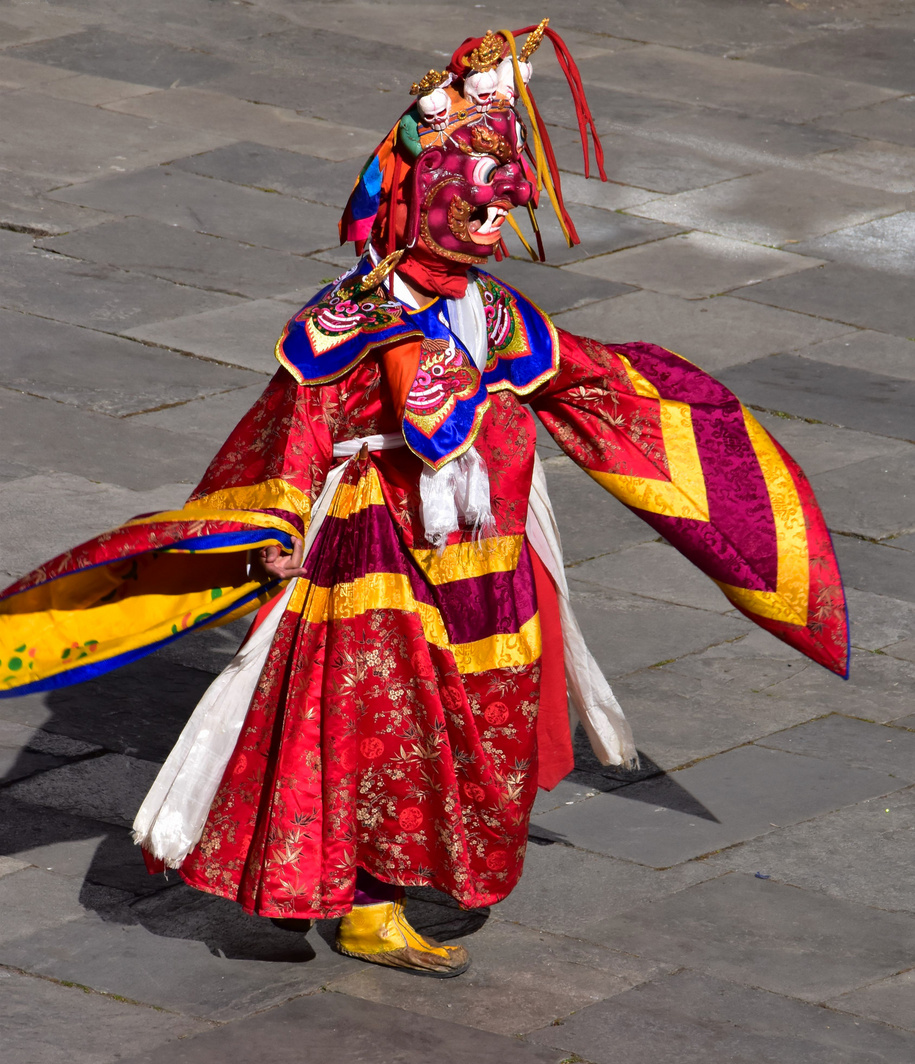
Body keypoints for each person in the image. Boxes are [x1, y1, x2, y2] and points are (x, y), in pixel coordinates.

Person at [0, 22, 848, 978]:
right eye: (479, 201)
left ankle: (388, 886)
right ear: (426, 200)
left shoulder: (493, 312)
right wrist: (277, 524)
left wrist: (682, 429)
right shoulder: (347, 317)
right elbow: (296, 427)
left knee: (477, 720)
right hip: (372, 548)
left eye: (504, 202)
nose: (497, 218)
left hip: (488, 556)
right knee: (376, 723)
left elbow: (577, 376)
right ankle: (350, 900)